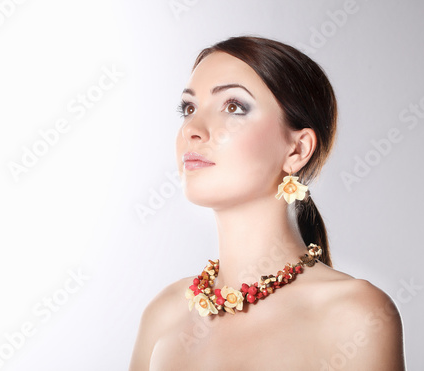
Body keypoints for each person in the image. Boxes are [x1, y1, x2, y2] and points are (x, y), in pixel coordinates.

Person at [129, 35, 405, 370]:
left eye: (233, 107)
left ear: (297, 150)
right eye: (189, 108)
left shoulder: (355, 314)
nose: (193, 129)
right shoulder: (165, 313)